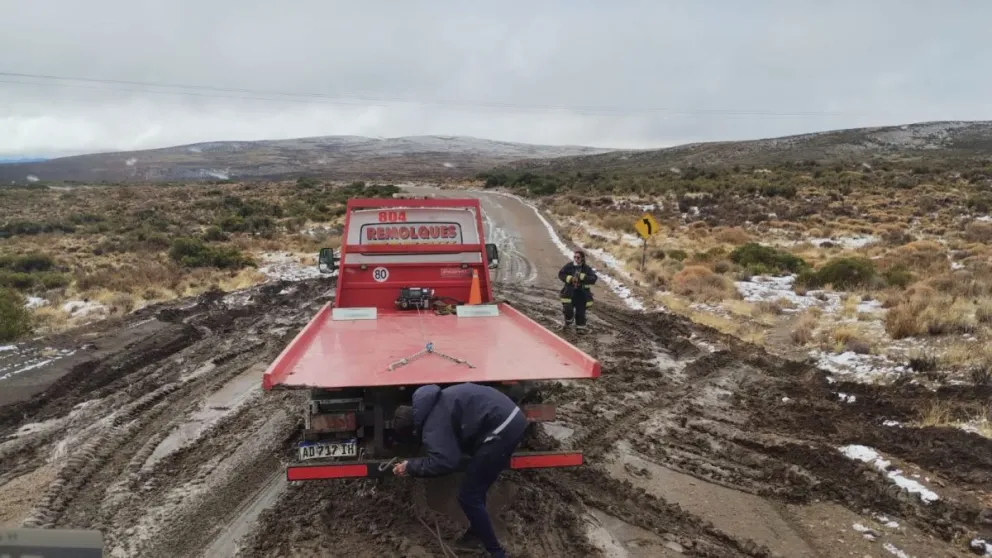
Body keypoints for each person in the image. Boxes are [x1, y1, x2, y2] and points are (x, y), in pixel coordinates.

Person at [392, 383, 528, 558]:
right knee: (476, 487)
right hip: (510, 416)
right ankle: (476, 533)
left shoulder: (433, 425)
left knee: (468, 496)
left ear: (412, 430)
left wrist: (410, 466)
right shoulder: (436, 402)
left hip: (502, 428)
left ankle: (496, 553)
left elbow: (446, 462)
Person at [557, 249, 597, 332]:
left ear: (582, 258)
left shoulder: (586, 269)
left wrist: (584, 277)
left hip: (581, 294)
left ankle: (580, 328)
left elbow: (594, 279)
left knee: (580, 312)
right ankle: (568, 321)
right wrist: (570, 279)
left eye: (578, 257)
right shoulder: (569, 266)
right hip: (569, 293)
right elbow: (561, 274)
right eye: (574, 257)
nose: (576, 259)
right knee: (568, 309)